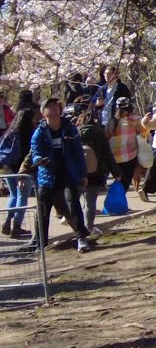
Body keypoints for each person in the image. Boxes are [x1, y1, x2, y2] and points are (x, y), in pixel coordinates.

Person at [30, 97, 93, 252]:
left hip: (68, 174)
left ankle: (81, 238)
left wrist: (83, 174)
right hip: (48, 176)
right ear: (43, 112)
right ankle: (41, 244)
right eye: (49, 106)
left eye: (56, 106)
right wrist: (40, 160)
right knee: (43, 210)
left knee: (73, 204)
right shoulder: (40, 132)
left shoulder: (69, 128)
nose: (54, 109)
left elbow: (78, 153)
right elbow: (35, 152)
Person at [76, 105, 121, 235]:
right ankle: (89, 227)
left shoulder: (75, 133)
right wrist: (116, 172)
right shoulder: (99, 133)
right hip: (96, 172)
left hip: (79, 171)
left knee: (75, 199)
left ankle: (74, 223)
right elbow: (108, 154)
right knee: (90, 203)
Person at [1, 104, 37, 239]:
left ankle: (6, 223)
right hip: (23, 170)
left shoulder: (10, 132)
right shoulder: (29, 134)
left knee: (13, 195)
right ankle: (16, 226)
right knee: (22, 197)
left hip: (8, 168)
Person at [106, 96, 146, 203]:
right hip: (127, 157)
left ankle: (116, 200)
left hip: (119, 157)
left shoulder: (112, 122)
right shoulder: (134, 120)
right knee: (125, 180)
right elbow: (144, 134)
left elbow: (107, 138)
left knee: (121, 180)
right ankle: (116, 201)